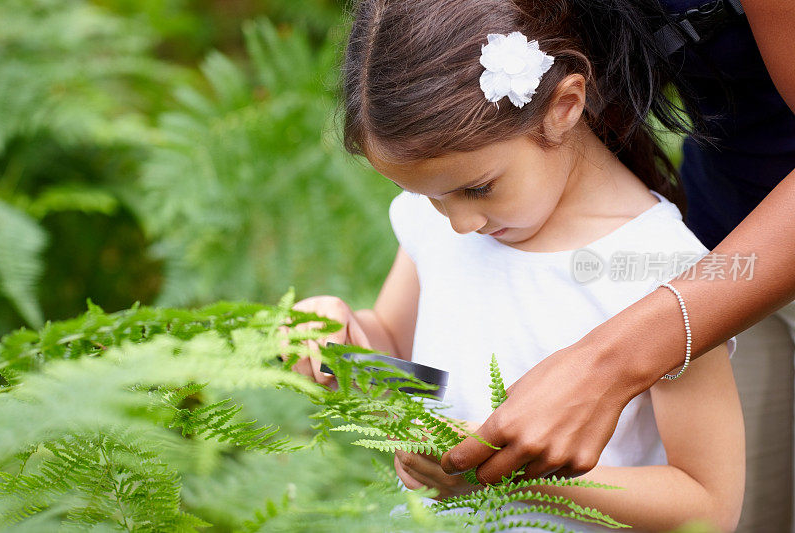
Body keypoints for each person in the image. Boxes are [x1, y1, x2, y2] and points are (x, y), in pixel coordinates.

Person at [289, 0, 746, 529]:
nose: (458, 223)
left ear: (565, 106)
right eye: (430, 197)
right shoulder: (440, 219)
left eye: (477, 188)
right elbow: (409, 364)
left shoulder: (664, 271)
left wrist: (516, 473)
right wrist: (338, 343)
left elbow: (708, 504)